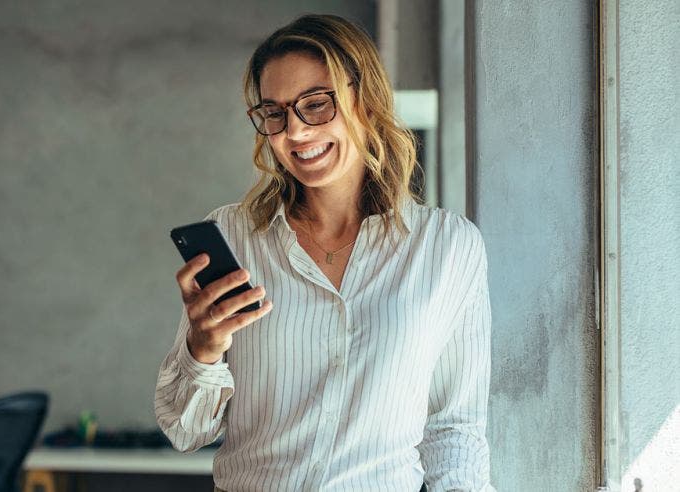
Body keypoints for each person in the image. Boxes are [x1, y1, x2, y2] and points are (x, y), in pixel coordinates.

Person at [155, 14, 494, 492]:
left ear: (366, 101)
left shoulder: (446, 248)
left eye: (315, 104)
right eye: (274, 113)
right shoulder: (233, 235)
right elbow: (185, 430)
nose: (294, 132)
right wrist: (203, 351)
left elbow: (453, 428)